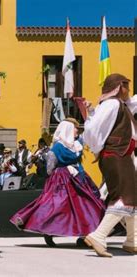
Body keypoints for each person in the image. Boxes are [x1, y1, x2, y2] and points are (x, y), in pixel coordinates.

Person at [10, 119, 106, 247]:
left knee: (84, 205)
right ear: (68, 130)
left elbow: (50, 168)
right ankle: (49, 230)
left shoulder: (74, 145)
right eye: (74, 128)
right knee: (60, 206)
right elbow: (50, 167)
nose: (77, 130)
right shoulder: (58, 147)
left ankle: (84, 235)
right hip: (63, 179)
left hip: (76, 178)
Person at [83, 73, 136, 257]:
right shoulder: (112, 104)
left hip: (122, 156)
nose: (129, 90)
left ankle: (132, 240)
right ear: (118, 87)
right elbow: (92, 129)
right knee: (123, 197)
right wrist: (98, 149)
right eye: (126, 86)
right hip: (115, 155)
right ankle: (98, 235)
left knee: (132, 197)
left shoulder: (122, 105)